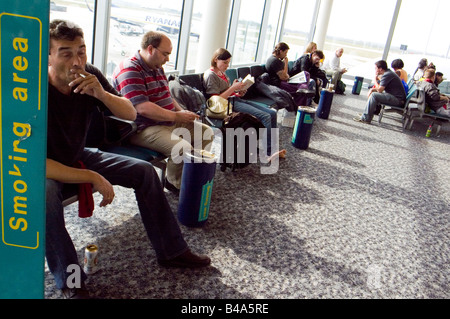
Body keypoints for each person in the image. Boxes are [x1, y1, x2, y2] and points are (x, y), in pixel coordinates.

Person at [46, 20, 211, 299]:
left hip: (77, 155)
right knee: (45, 194)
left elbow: (130, 113)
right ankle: (71, 281)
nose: (77, 61)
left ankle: (172, 251)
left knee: (145, 172)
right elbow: (34, 164)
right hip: (45, 166)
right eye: (66, 53)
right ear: (47, 55)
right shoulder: (31, 90)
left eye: (82, 51)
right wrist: (92, 177)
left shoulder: (90, 75)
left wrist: (100, 92)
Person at [112, 31, 214, 194]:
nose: (167, 59)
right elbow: (142, 107)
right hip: (142, 127)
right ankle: (174, 182)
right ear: (151, 49)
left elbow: (167, 96)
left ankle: (187, 175)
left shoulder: (156, 66)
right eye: (165, 54)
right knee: (182, 148)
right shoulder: (130, 69)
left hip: (166, 121)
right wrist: (176, 116)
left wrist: (183, 112)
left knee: (206, 133)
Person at [203, 48, 286, 161]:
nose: (227, 65)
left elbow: (226, 92)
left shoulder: (221, 73)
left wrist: (238, 92)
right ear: (216, 59)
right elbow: (215, 100)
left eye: (228, 62)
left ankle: (273, 148)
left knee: (272, 112)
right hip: (226, 106)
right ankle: (269, 153)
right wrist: (233, 88)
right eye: (225, 62)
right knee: (265, 116)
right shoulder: (210, 75)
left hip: (234, 100)